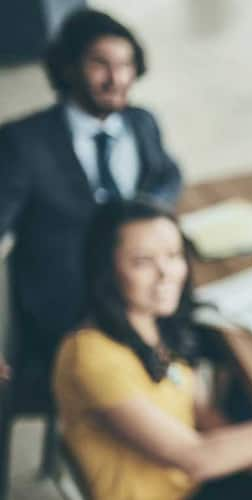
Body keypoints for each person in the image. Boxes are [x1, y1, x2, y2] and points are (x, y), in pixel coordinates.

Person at [53, 199, 252, 500]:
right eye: (142, 262)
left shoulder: (154, 322)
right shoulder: (91, 356)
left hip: (190, 483)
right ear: (106, 271)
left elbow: (199, 410)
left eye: (173, 255)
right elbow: (196, 458)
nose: (166, 273)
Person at [0, 9, 183, 401]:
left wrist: (146, 216)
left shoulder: (142, 122)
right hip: (69, 314)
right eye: (100, 64)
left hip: (142, 297)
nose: (116, 79)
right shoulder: (22, 141)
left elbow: (169, 173)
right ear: (67, 68)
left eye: (126, 65)